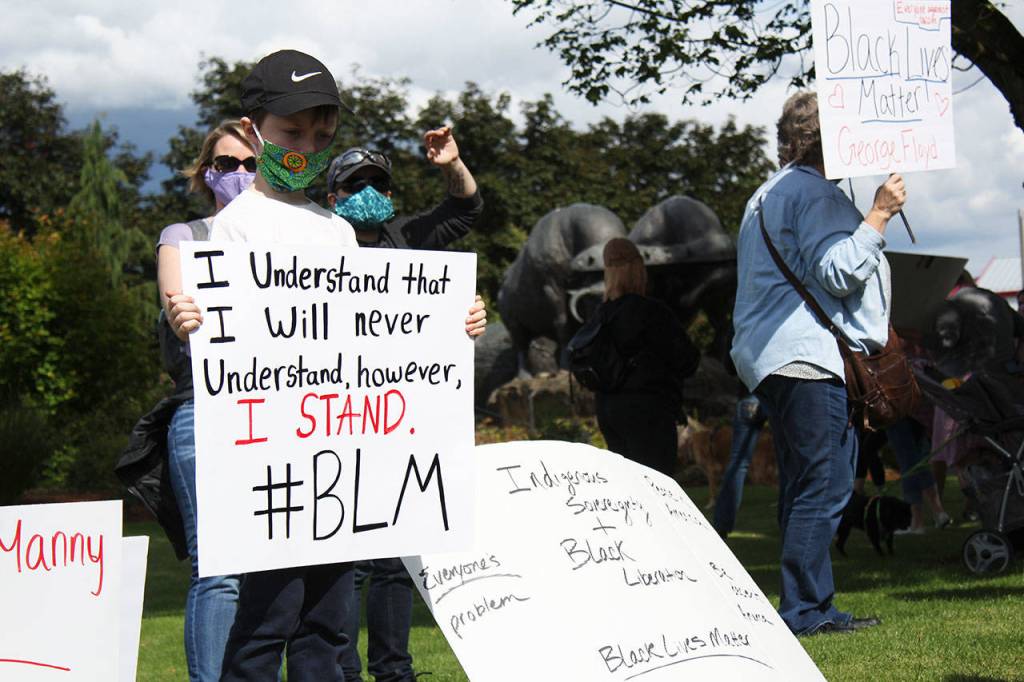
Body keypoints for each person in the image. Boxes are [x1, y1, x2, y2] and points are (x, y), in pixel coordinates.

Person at [731, 91, 905, 636]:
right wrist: (878, 214)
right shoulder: (816, 196)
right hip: (807, 357)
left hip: (772, 358)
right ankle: (804, 612)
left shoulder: (767, 194)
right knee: (825, 487)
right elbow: (836, 272)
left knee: (803, 486)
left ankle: (813, 605)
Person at [324, 130, 485, 682]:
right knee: (344, 560)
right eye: (354, 183)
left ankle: (395, 670)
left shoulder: (406, 238)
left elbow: (466, 208)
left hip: (400, 418)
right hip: (331, 420)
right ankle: (341, 668)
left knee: (395, 559)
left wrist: (453, 163)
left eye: (377, 182)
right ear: (331, 196)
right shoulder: (311, 246)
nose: (367, 189)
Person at [123, 120, 255, 682]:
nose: (240, 174)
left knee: (284, 569)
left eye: (252, 162)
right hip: (205, 412)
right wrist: (180, 310)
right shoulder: (186, 236)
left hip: (282, 417)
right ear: (206, 174)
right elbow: (175, 298)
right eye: (226, 164)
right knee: (220, 568)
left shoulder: (300, 241)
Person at [591, 238, 699, 477]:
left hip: (608, 409)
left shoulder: (600, 316)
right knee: (658, 485)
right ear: (639, 269)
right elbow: (687, 359)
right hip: (649, 410)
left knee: (628, 488)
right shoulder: (652, 312)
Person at [712, 392, 767, 539]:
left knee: (739, 463)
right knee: (789, 463)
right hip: (777, 392)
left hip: (749, 396)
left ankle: (720, 526)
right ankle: (791, 529)